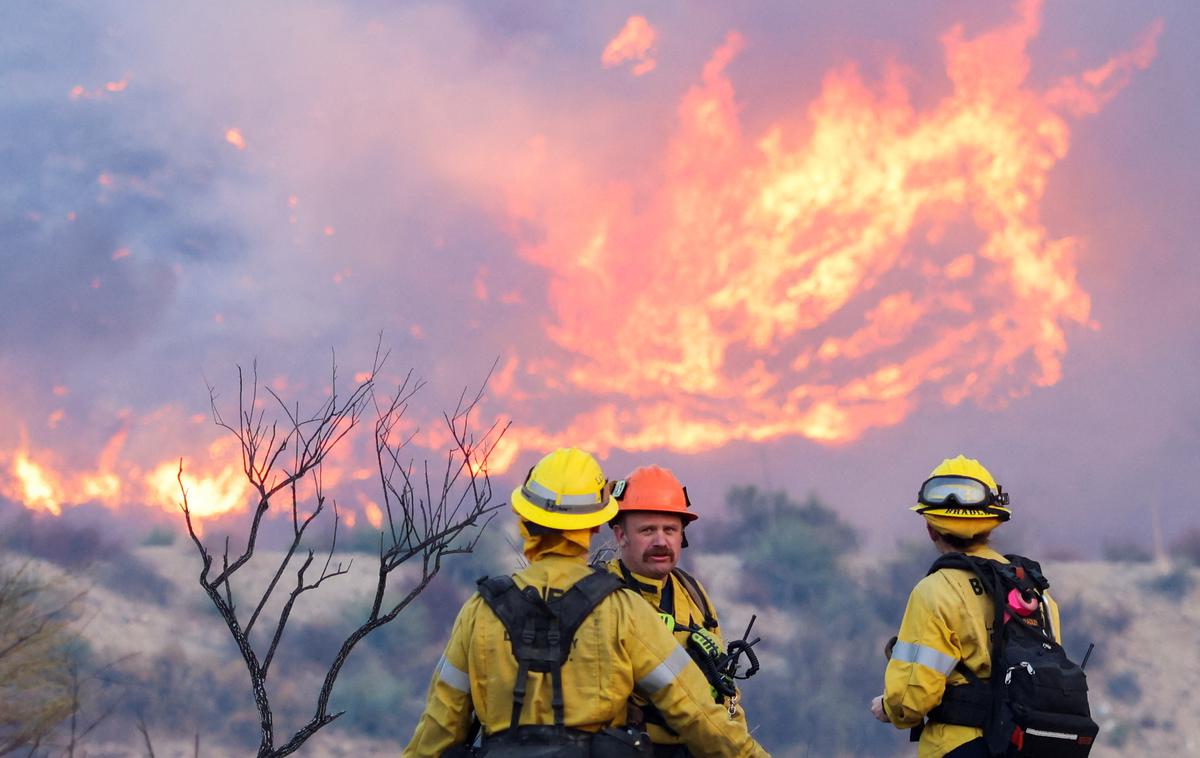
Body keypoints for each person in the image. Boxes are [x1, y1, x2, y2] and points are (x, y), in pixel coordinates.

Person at [403, 448, 769, 758]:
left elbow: (438, 729)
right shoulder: (623, 610)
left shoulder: (478, 612)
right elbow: (699, 716)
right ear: (597, 526)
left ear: (525, 521)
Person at [869, 455, 1062, 758]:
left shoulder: (935, 592)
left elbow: (911, 699)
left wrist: (888, 707)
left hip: (960, 748)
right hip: (1026, 746)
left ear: (931, 528)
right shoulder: (1033, 592)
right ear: (991, 526)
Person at [603, 465, 752, 757]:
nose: (661, 541)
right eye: (647, 530)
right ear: (620, 535)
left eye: (670, 530)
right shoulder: (600, 598)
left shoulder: (693, 594)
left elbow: (724, 688)